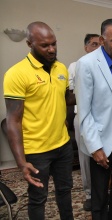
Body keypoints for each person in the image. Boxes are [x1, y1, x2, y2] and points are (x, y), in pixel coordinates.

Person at [3, 21, 74, 220]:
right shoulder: (16, 74)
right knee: (38, 197)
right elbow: (13, 120)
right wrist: (21, 161)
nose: (52, 49)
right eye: (45, 45)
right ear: (29, 44)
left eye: (54, 43)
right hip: (36, 150)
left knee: (65, 191)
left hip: (63, 145)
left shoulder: (61, 68)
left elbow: (65, 99)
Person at [74, 18, 112, 220]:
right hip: (100, 136)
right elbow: (84, 110)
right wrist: (95, 147)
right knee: (99, 192)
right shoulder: (87, 64)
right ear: (102, 39)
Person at [68, 33, 100, 211]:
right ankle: (89, 194)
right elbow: (71, 95)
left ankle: (103, 190)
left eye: (99, 44)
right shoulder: (75, 66)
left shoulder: (107, 65)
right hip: (83, 116)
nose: (97, 47)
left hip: (103, 118)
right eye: (93, 44)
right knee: (86, 156)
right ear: (86, 47)